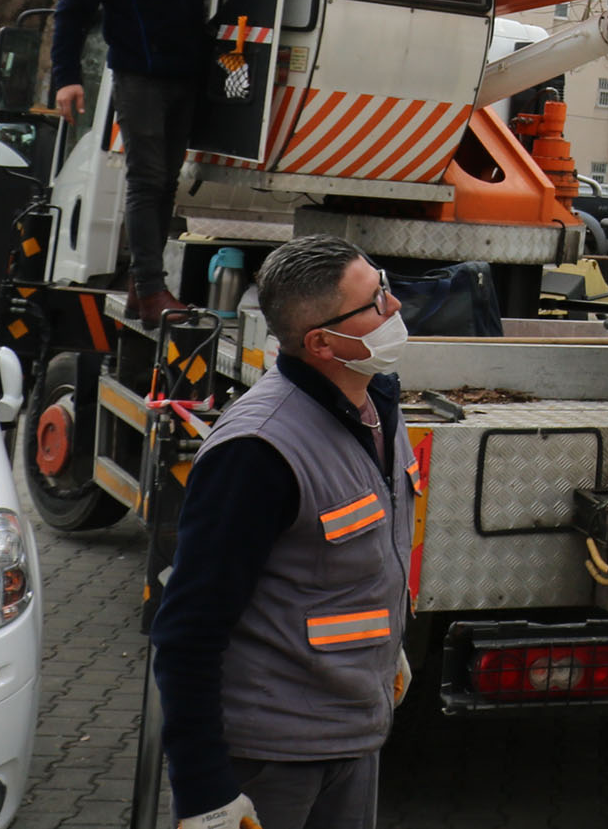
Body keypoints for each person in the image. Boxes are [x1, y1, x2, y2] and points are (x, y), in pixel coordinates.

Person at [152, 236, 415, 829]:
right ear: (321, 343)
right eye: (375, 303)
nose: (394, 308)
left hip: (352, 732)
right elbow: (189, 628)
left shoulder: (376, 405)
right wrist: (204, 791)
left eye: (385, 286)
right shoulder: (259, 451)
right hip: (271, 759)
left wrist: (383, 646)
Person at [51, 0, 217, 324]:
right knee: (146, 180)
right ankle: (150, 287)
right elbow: (72, 10)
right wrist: (66, 78)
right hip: (139, 77)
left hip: (188, 74)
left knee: (166, 182)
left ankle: (144, 290)